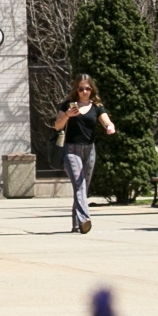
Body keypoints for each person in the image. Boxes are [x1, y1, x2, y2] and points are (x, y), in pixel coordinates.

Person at [51, 75, 116, 235]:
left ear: (92, 89)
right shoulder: (68, 105)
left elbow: (106, 120)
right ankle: (85, 219)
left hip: (89, 149)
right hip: (72, 150)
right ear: (76, 90)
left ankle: (76, 224)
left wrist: (109, 127)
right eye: (81, 89)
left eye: (87, 88)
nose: (84, 91)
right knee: (79, 185)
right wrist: (67, 115)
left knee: (82, 188)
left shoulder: (96, 106)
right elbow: (57, 126)